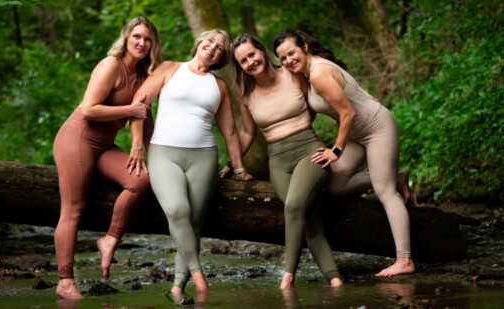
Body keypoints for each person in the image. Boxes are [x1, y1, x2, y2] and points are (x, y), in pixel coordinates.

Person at [273, 29, 415, 277]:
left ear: (305, 47)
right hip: (357, 135)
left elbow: (348, 113)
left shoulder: (317, 72)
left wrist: (335, 150)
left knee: (385, 192)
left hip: (377, 127)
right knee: (334, 185)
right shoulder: (307, 75)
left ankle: (404, 260)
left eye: (291, 53)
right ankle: (396, 177)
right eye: (282, 58)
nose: (288, 60)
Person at [127, 29, 254, 299]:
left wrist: (239, 168)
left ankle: (176, 287)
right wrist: (137, 143)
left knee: (194, 223)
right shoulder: (169, 69)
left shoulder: (218, 85)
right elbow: (138, 105)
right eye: (210, 41)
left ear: (221, 57)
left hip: (203, 157)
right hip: (164, 153)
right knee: (176, 210)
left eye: (220, 48)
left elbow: (230, 132)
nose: (213, 48)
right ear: (199, 43)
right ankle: (200, 279)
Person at [52, 17, 161, 299]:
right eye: (137, 36)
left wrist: (158, 159)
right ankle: (64, 281)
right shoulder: (111, 65)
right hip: (76, 139)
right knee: (73, 210)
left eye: (148, 39)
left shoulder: (144, 77)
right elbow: (88, 109)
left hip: (103, 147)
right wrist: (129, 110)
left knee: (141, 179)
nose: (142, 43)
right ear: (126, 38)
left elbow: (145, 123)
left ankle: (109, 238)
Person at [223, 34, 343, 289]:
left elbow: (318, 103)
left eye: (252, 54)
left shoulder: (292, 74)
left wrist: (359, 110)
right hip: (277, 160)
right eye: (243, 61)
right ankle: (335, 279)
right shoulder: (245, 94)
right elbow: (247, 132)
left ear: (262, 52)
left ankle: (287, 277)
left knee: (293, 207)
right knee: (308, 217)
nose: (250, 62)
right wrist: (232, 163)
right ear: (240, 67)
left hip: (309, 151)